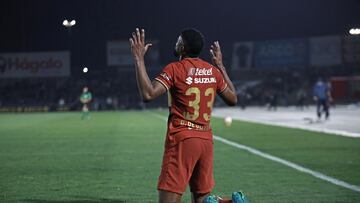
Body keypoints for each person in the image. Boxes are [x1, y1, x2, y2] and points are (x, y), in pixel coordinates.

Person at [129, 28, 249, 203]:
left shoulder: (175, 69)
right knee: (200, 200)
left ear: (182, 46)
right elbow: (233, 98)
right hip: (206, 141)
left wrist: (138, 58)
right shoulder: (212, 71)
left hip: (182, 140)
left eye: (178, 40)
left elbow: (148, 94)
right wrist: (221, 66)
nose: (176, 42)